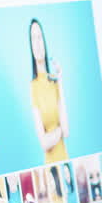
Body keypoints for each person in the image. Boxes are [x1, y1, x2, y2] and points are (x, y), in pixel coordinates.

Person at [29, 18, 69, 163]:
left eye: (40, 37)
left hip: (65, 157)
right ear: (30, 46)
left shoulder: (55, 81)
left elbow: (67, 130)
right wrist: (60, 131)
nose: (38, 43)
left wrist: (60, 80)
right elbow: (44, 143)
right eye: (33, 39)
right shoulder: (33, 86)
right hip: (50, 164)